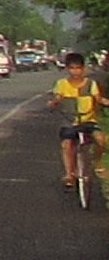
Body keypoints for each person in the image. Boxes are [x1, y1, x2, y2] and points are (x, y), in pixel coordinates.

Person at [54, 51, 99, 190]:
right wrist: (55, 102)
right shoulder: (61, 84)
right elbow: (58, 97)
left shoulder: (91, 84)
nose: (75, 72)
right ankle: (69, 174)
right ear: (67, 69)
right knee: (67, 144)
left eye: (78, 68)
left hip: (88, 120)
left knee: (101, 140)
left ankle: (94, 163)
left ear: (83, 68)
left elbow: (97, 98)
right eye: (72, 68)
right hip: (70, 121)